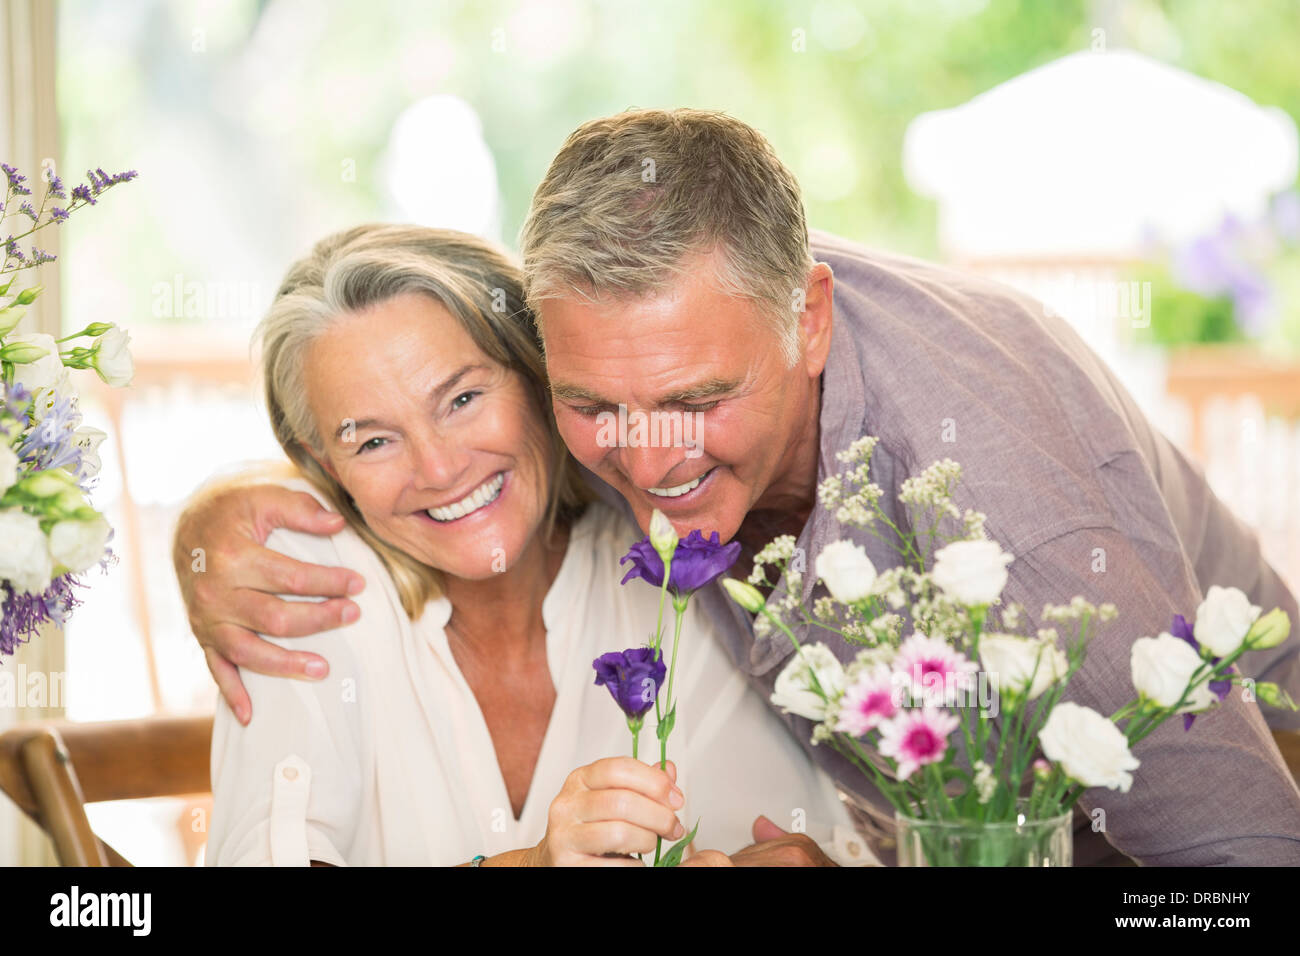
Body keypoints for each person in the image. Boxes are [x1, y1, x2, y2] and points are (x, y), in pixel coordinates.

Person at [179, 109, 1300, 866]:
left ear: (806, 320)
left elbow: (1238, 862)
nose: (652, 461)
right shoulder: (603, 383)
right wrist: (210, 520)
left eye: (697, 398)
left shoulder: (1013, 507)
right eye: (593, 407)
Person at [201, 223, 867, 867]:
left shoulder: (670, 571)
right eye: (372, 441)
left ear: (542, 380)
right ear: (323, 463)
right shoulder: (300, 589)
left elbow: (798, 839)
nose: (438, 469)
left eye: (462, 398)